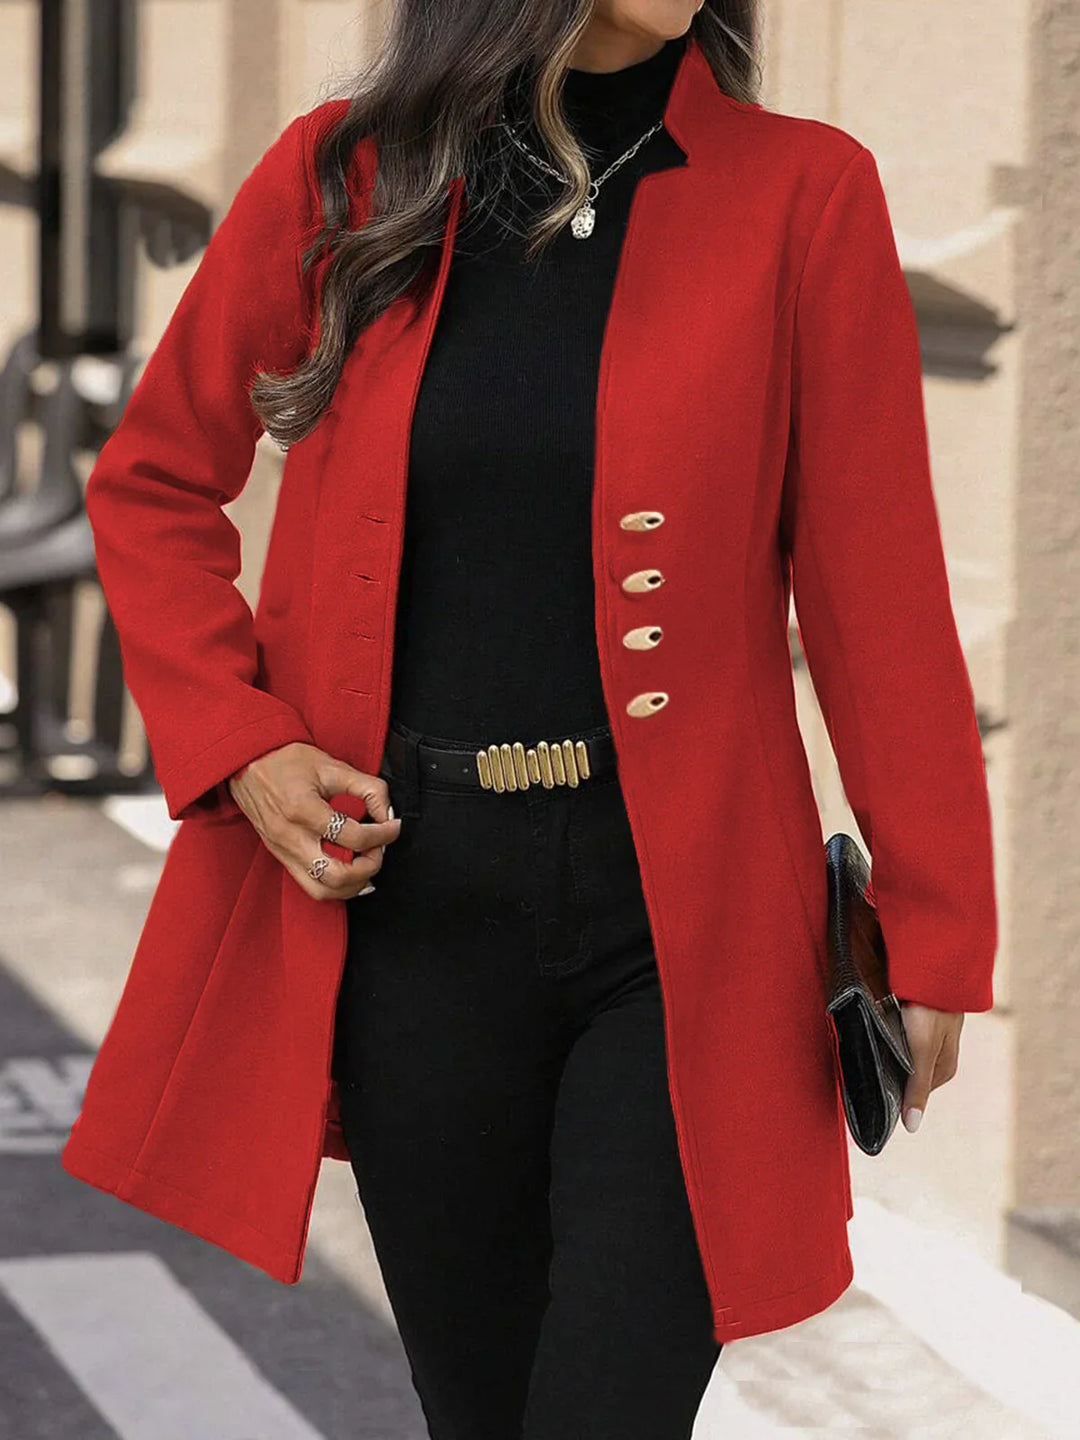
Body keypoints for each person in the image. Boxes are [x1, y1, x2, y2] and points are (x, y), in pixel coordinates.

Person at [62, 2, 999, 1437]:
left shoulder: (804, 193)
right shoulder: (344, 181)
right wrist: (243, 746)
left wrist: (936, 930)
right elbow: (152, 483)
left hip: (687, 944)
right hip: (413, 922)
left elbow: (881, 597)